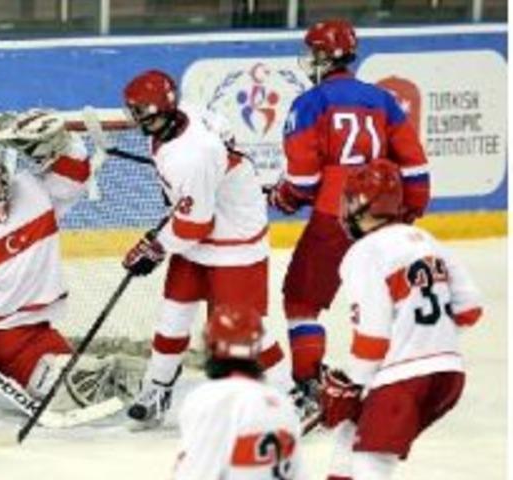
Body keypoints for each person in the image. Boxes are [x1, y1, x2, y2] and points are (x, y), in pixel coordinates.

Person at [0, 109, 142, 411]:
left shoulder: (35, 190)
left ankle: (111, 373)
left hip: (30, 334)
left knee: (72, 395)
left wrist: (61, 144)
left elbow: (76, 174)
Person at [267, 19, 430, 401]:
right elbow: (416, 166)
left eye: (313, 54)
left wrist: (284, 198)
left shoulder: (309, 103)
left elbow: (303, 182)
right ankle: (403, 375)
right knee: (387, 298)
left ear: (325, 58)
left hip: (334, 216)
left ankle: (309, 382)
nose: (309, 61)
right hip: (384, 215)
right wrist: (408, 214)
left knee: (301, 300)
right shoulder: (383, 99)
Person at [121, 69, 293, 428]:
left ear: (163, 111)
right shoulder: (186, 116)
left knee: (244, 326)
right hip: (197, 233)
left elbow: (197, 225)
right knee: (173, 315)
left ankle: (287, 395)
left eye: (143, 113)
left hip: (233, 240)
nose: (138, 120)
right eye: (135, 112)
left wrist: (154, 249)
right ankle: (157, 388)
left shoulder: (192, 156)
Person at [320, 158, 481, 480]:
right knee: (349, 438)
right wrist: (425, 337)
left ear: (361, 204)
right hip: (448, 376)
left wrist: (354, 385)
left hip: (403, 380)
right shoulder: (427, 241)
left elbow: (373, 338)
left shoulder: (364, 253)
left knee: (371, 464)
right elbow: (470, 309)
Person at [174, 306, 307, 480]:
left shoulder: (203, 400)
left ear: (211, 346)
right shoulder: (283, 404)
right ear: (258, 347)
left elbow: (195, 473)